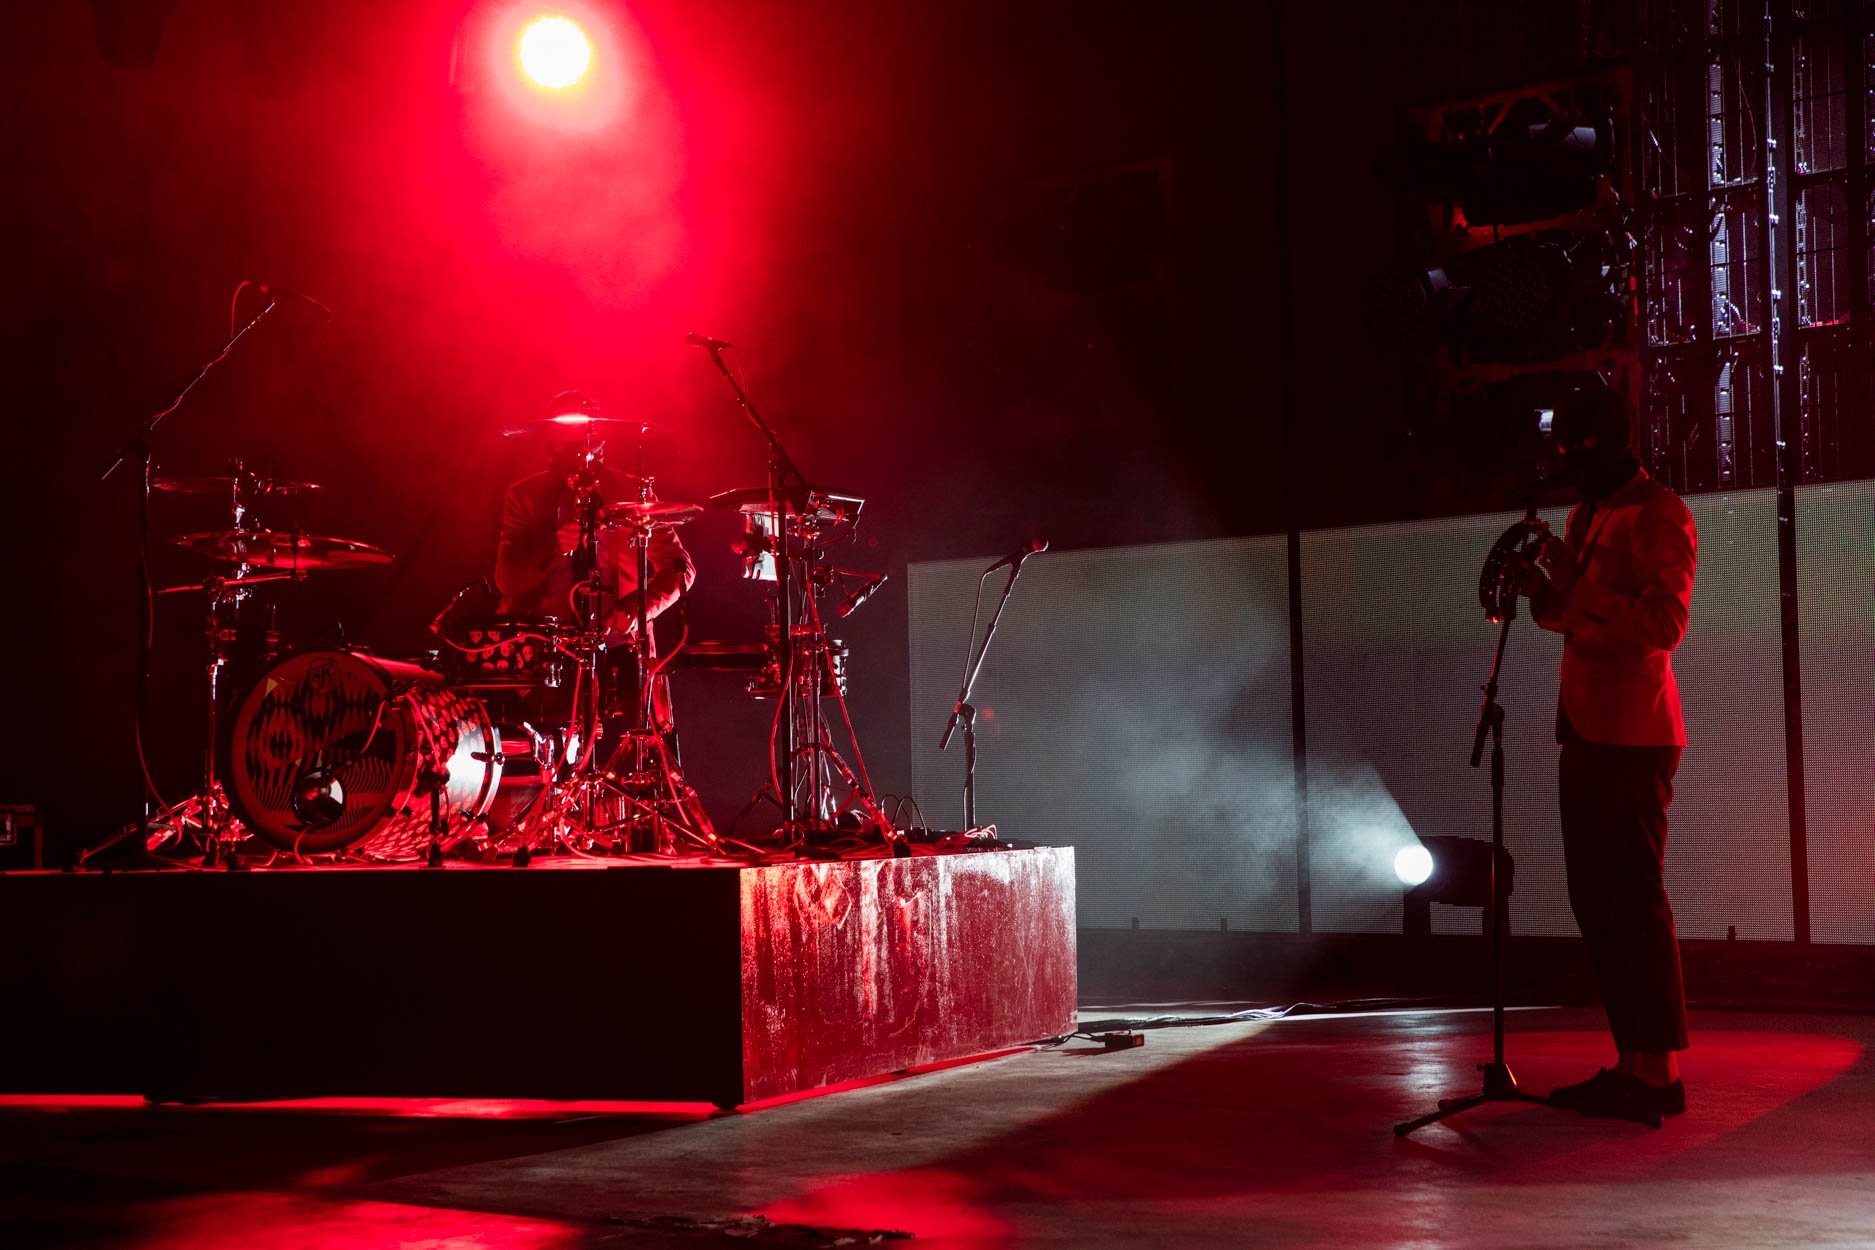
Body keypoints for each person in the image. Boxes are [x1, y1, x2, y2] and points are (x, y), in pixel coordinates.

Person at [1523, 385, 1697, 1120]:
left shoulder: (1660, 512)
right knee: (1596, 901)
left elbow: (1663, 625)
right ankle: (1635, 1064)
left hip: (1634, 735)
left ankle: (1657, 1073)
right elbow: (1583, 619)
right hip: (1588, 726)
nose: (1570, 468)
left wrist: (1578, 585)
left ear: (1611, 445)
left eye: (1578, 453)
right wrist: (1545, 598)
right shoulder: (1587, 512)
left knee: (1632, 900)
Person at [494, 391, 694, 726]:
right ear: (550, 442)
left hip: (621, 647)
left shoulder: (632, 493)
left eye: (584, 439)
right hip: (544, 651)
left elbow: (680, 569)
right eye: (564, 439)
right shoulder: (525, 495)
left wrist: (636, 610)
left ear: (600, 441)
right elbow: (507, 580)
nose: (574, 448)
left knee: (639, 743)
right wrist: (554, 548)